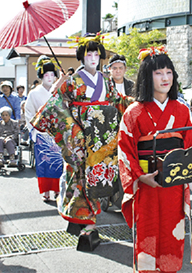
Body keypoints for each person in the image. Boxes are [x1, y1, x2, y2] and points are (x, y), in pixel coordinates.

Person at [31, 33, 132, 244]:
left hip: (103, 137)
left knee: (97, 178)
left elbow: (117, 100)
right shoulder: (72, 81)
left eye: (96, 53)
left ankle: (80, 218)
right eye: (89, 54)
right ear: (81, 57)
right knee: (79, 177)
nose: (93, 58)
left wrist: (137, 103)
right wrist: (73, 132)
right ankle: (88, 223)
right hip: (80, 136)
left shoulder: (106, 80)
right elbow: (56, 105)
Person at [118, 46, 192, 272]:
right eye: (158, 73)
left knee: (173, 233)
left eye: (169, 72)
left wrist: (187, 173)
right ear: (146, 76)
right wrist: (141, 176)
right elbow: (125, 149)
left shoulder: (182, 109)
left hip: (174, 184)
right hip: (147, 184)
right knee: (148, 231)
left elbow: (191, 144)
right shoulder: (133, 112)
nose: (165, 78)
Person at [25, 55, 65, 202]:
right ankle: (46, 191)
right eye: (46, 75)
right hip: (42, 133)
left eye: (52, 74)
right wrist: (34, 131)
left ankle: (57, 189)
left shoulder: (60, 91)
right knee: (44, 164)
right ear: (42, 76)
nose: (49, 77)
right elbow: (29, 112)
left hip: (58, 133)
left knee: (58, 163)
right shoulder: (34, 93)